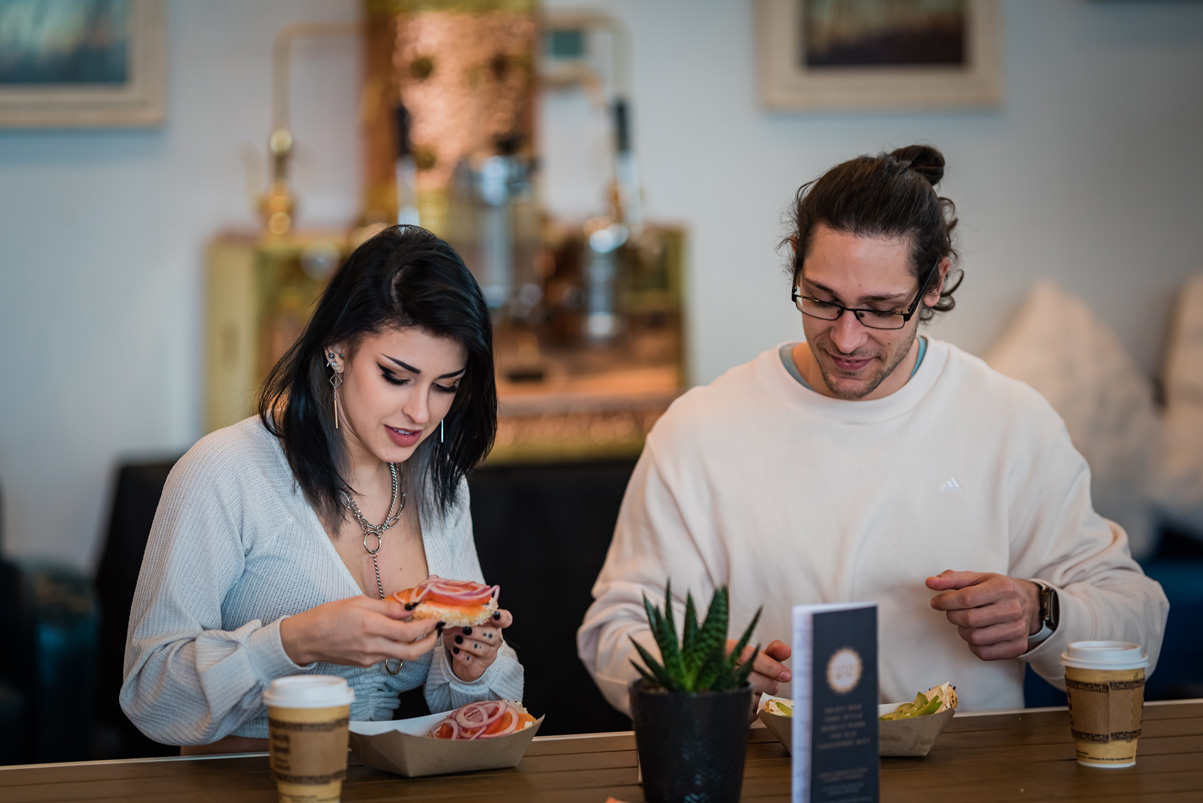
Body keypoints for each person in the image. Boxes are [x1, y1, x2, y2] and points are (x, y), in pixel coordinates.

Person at [577, 145, 1169, 713]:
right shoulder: (700, 430)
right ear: (796, 260)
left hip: (969, 765)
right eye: (822, 299)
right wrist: (703, 673)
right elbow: (614, 630)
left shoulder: (1009, 422)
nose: (847, 338)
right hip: (769, 763)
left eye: (882, 309)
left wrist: (1043, 614)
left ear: (934, 283)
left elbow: (1137, 624)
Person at [121, 225, 522, 751]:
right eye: (395, 376)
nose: (421, 412)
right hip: (244, 782)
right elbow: (151, 694)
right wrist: (297, 641)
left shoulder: (436, 483)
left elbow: (477, 715)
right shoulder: (226, 471)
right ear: (336, 349)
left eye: (445, 386)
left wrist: (471, 666)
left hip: (384, 781)